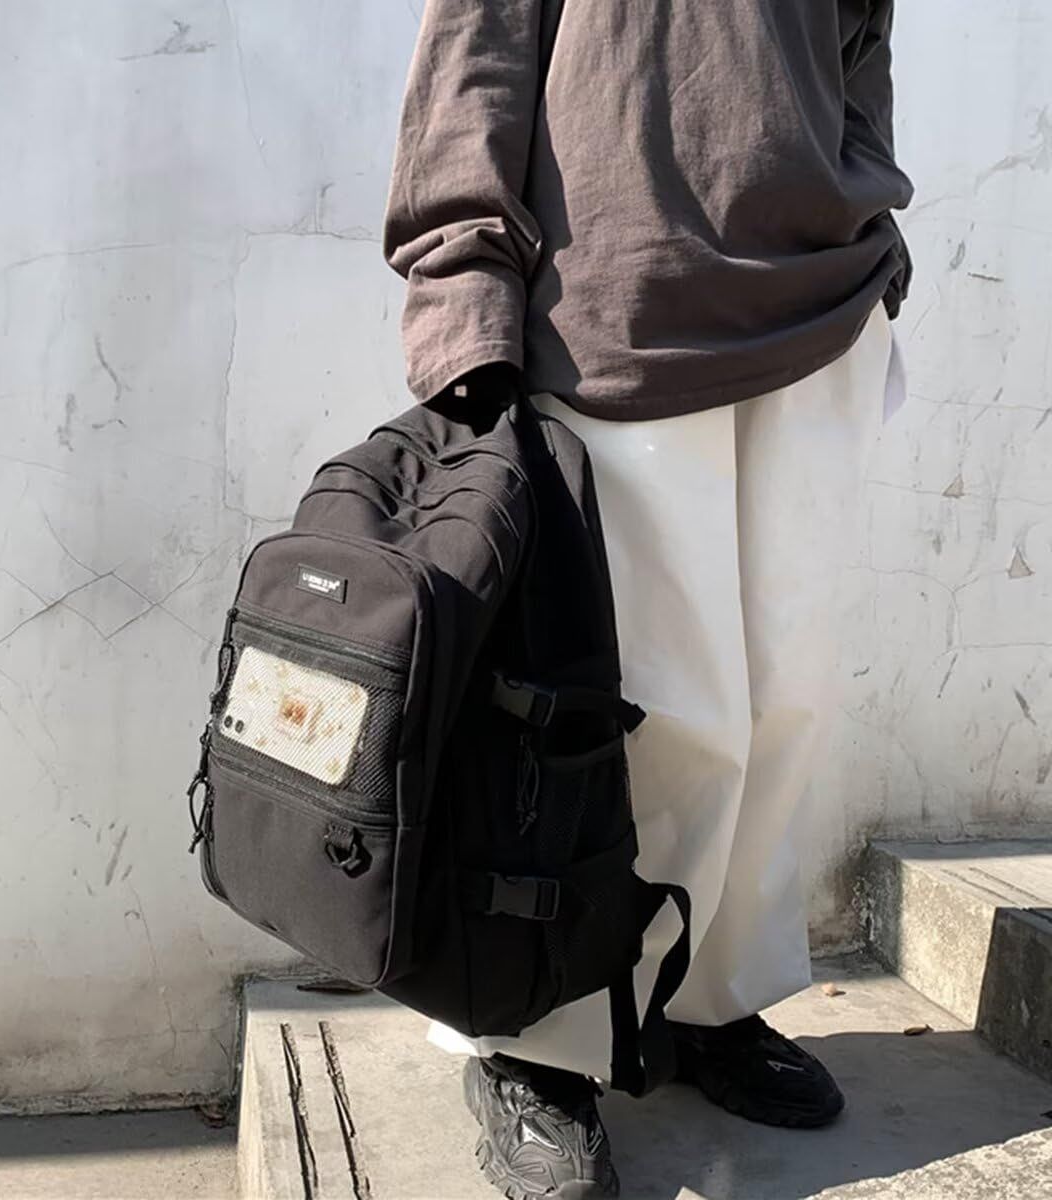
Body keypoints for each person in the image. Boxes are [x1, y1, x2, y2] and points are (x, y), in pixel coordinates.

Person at [383, 2, 912, 1197]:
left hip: (821, 306)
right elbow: (476, 52)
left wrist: (873, 215)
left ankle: (708, 999)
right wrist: (462, 294)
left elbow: (860, 36)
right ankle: (536, 1042)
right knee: (623, 714)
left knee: (781, 702)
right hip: (610, 305)